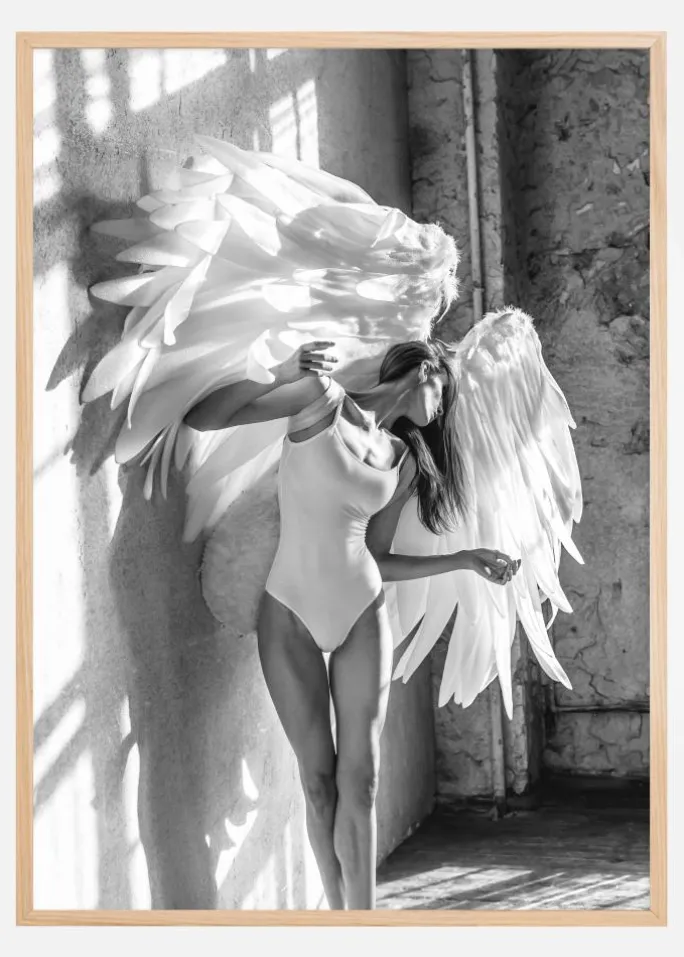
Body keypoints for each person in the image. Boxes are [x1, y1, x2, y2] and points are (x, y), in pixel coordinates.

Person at [183, 336, 521, 910]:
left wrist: (464, 559)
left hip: (363, 613)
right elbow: (204, 417)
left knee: (360, 783)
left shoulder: (403, 458)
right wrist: (279, 372)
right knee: (318, 785)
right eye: (446, 393)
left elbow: (378, 557)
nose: (445, 408)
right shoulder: (318, 398)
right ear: (426, 370)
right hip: (288, 612)